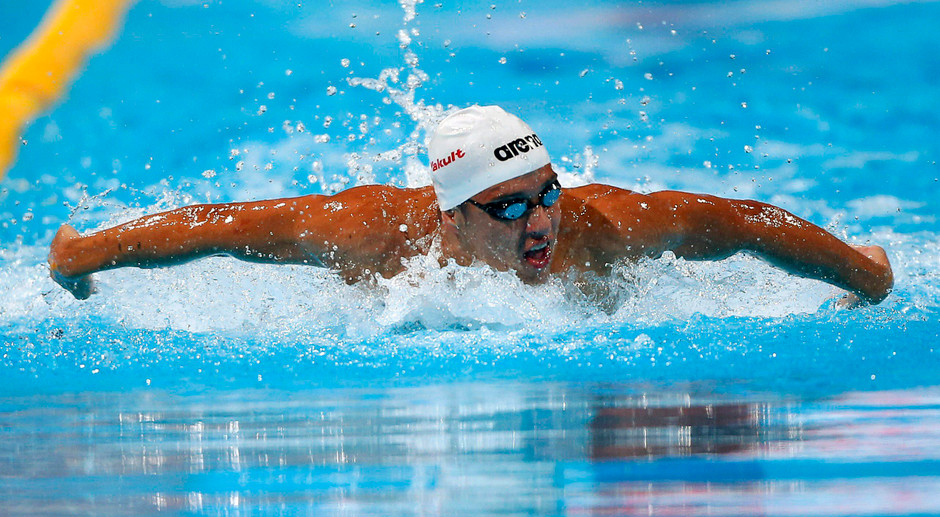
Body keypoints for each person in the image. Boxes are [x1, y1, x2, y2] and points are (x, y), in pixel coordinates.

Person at [48, 105, 893, 305]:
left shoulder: (603, 227)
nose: (544, 222)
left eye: (548, 194)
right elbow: (221, 228)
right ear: (451, 215)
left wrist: (869, 276)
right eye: (512, 208)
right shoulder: (371, 232)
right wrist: (81, 256)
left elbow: (743, 222)